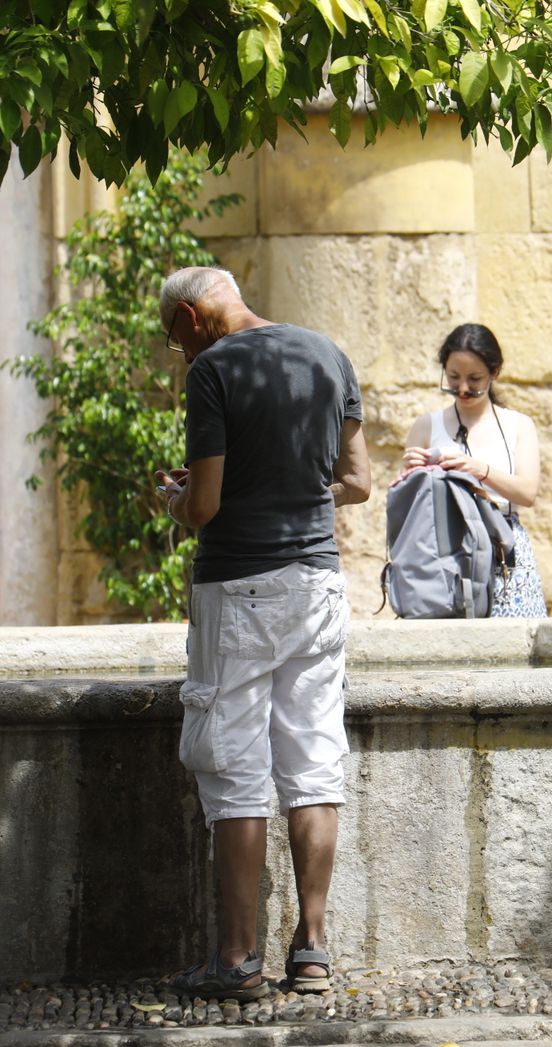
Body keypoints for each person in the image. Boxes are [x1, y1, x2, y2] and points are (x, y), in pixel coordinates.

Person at [152, 266, 370, 999]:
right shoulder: (326, 354)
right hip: (317, 583)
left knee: (235, 767)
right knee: (312, 757)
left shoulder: (213, 370)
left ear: (190, 315)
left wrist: (173, 499)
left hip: (239, 586)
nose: (175, 349)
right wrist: (279, 486)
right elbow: (357, 481)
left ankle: (238, 961)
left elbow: (207, 506)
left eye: (171, 335)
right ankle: (311, 949)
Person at [401, 323, 546, 617]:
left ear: (495, 372)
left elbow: (528, 493)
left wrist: (479, 469)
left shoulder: (518, 425)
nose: (463, 389)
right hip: (444, 552)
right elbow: (408, 508)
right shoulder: (426, 425)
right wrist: (412, 475)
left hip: (504, 549)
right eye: (453, 377)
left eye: (474, 379)